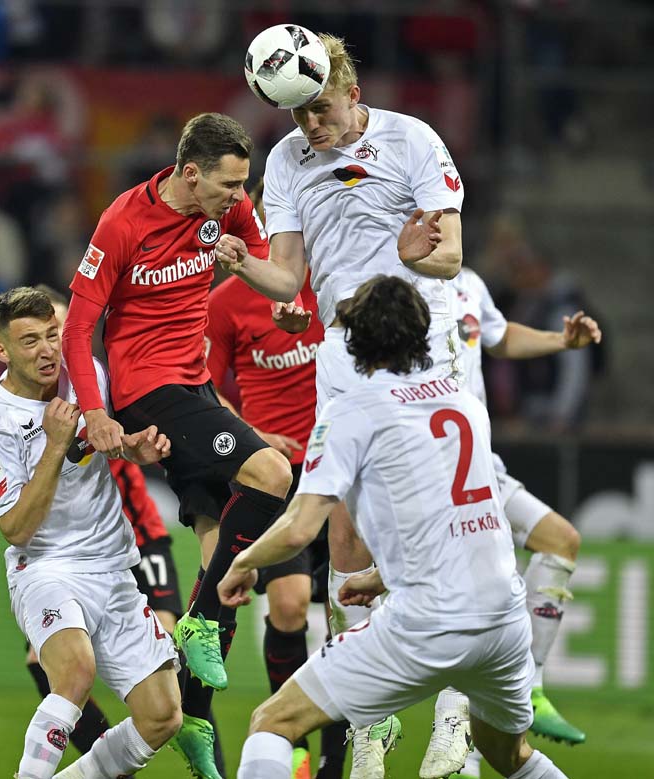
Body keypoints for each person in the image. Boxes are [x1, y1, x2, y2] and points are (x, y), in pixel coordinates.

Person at [215, 32, 463, 776]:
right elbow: (290, 280)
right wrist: (243, 263)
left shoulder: (414, 139)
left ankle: (454, 715)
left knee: (439, 526)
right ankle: (371, 727)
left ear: (350, 90)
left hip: (423, 345)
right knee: (348, 538)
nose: (311, 128)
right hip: (343, 354)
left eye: (320, 110)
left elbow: (449, 253)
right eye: (298, 117)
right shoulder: (289, 161)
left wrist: (420, 256)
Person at [217, 275, 570, 779]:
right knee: (509, 756)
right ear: (423, 334)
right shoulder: (464, 403)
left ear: (351, 340)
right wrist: (383, 578)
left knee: (272, 722)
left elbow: (300, 527)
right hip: (505, 623)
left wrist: (245, 561)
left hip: (429, 622)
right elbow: (465, 520)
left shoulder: (351, 410)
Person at [62, 112, 292, 779]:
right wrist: (96, 412)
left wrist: (246, 263)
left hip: (196, 390)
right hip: (146, 390)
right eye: (227, 184)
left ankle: (194, 716)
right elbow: (80, 329)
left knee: (225, 541)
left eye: (242, 183)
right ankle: (196, 618)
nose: (237, 195)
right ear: (191, 174)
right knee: (273, 473)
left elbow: (280, 280)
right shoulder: (122, 222)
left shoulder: (233, 212)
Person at [0, 287, 181, 779]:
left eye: (52, 336)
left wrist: (132, 449)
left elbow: (103, 442)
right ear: (2, 351)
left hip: (113, 564)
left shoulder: (86, 376)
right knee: (76, 672)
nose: (46, 351)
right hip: (47, 567)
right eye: (29, 342)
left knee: (163, 715)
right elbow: (15, 528)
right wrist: (54, 444)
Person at [428, 266, 599, 779]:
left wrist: (561, 341)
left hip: (481, 465)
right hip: (430, 465)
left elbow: (499, 336)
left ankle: (531, 683)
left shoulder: (471, 284)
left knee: (561, 540)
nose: (440, 220)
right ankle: (454, 743)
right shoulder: (393, 281)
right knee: (475, 598)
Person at [207, 269, 348, 779]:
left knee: (344, 620)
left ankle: (336, 762)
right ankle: (294, 746)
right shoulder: (226, 302)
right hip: (278, 475)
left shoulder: (333, 282)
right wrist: (253, 434)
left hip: (340, 471)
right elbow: (202, 385)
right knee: (288, 606)